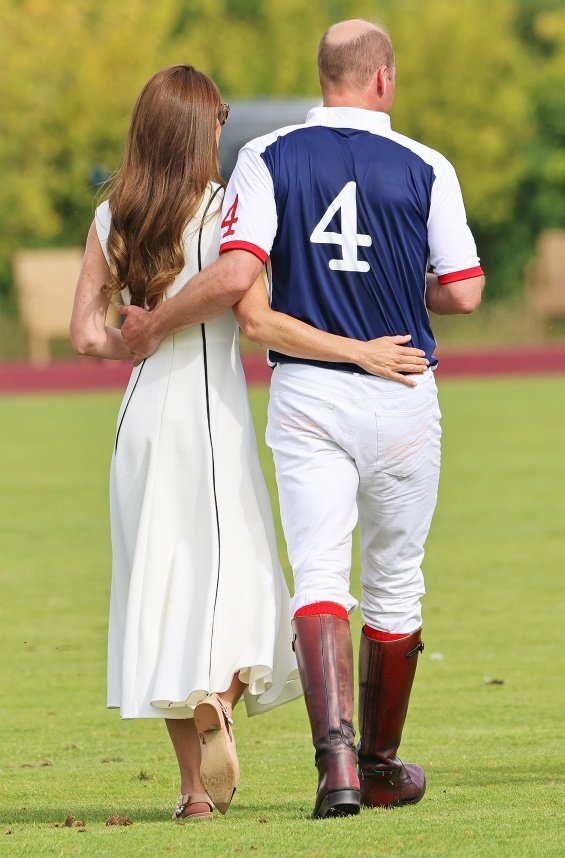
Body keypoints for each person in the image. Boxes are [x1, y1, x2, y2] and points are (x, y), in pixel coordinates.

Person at [119, 19, 484, 820]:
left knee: (318, 577)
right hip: (403, 388)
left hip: (309, 395)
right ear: (382, 79)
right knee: (394, 584)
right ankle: (381, 763)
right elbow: (461, 291)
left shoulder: (266, 156)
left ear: (323, 76)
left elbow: (242, 272)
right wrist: (399, 289)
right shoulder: (428, 164)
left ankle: (338, 771)